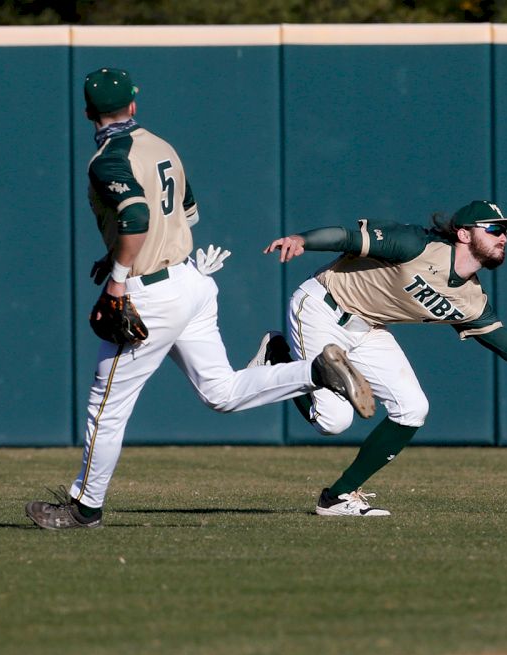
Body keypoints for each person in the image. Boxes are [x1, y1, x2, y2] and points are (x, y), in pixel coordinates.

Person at [24, 67, 373, 530]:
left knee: (106, 408)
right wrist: (116, 257)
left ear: (88, 111)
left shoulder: (108, 159)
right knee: (220, 392)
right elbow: (188, 212)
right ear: (133, 103)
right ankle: (314, 370)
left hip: (150, 292)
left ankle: (84, 508)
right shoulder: (161, 146)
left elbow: (136, 220)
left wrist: (118, 278)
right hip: (191, 282)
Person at [250, 200, 507, 517]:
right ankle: (279, 359)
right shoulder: (417, 245)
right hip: (323, 308)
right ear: (464, 234)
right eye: (495, 229)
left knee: (412, 409)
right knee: (333, 422)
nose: (504, 237)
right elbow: (347, 238)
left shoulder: (471, 300)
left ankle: (338, 497)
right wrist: (302, 239)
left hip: (369, 329)